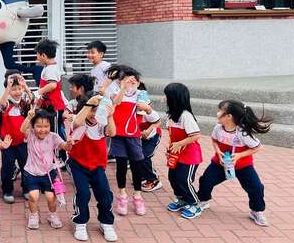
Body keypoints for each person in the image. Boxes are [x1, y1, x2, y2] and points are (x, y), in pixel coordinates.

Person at [197, 100, 272, 226]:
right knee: (205, 180)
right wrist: (218, 151)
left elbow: (258, 147)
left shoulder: (242, 132)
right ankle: (203, 200)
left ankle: (256, 211)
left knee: (256, 188)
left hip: (243, 166)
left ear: (229, 116)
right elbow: (214, 140)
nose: (217, 113)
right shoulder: (218, 128)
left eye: (220, 111)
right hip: (219, 164)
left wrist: (239, 155)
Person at [105, 65, 159, 216]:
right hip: (118, 134)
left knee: (136, 165)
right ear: (121, 80)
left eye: (134, 80)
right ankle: (122, 195)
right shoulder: (115, 92)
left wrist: (147, 108)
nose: (131, 82)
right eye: (127, 80)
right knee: (121, 165)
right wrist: (123, 88)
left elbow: (152, 115)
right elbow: (115, 102)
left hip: (134, 135)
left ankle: (137, 196)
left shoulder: (141, 95)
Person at [67, 93, 117, 242]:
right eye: (92, 110)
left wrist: (110, 115)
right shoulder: (78, 120)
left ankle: (106, 223)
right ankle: (80, 222)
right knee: (83, 193)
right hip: (78, 165)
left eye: (97, 111)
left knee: (105, 193)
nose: (94, 114)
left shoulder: (102, 122)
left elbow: (112, 133)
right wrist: (89, 104)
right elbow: (77, 122)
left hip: (98, 165)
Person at [21, 108, 73, 229]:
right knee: (33, 196)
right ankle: (33, 215)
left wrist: (69, 143)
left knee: (51, 197)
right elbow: (23, 129)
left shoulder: (53, 136)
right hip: (32, 172)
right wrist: (28, 118)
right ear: (33, 126)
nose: (42, 130)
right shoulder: (31, 135)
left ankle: (52, 215)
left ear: (50, 125)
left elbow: (65, 147)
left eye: (46, 126)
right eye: (39, 126)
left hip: (49, 173)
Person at [164, 83, 203, 219]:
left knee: (183, 180)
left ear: (174, 98)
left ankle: (194, 203)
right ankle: (181, 200)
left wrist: (179, 144)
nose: (164, 98)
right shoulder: (171, 115)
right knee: (172, 178)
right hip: (176, 154)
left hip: (189, 155)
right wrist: (170, 147)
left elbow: (196, 135)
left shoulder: (186, 116)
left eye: (167, 96)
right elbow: (172, 135)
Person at [0, 71, 34, 203]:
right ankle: (7, 190)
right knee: (7, 167)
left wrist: (25, 86)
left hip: (23, 141)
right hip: (7, 143)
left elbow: (33, 100)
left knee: (26, 166)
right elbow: (1, 103)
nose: (17, 92)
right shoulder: (7, 103)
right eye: (14, 89)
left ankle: (26, 189)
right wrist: (8, 88)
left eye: (19, 89)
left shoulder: (24, 103)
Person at [35, 39, 66, 161]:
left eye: (37, 54)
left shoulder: (50, 69)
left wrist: (38, 92)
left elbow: (52, 85)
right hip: (50, 107)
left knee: (55, 133)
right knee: (53, 131)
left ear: (43, 55)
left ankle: (61, 158)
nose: (37, 57)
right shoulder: (50, 67)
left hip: (54, 107)